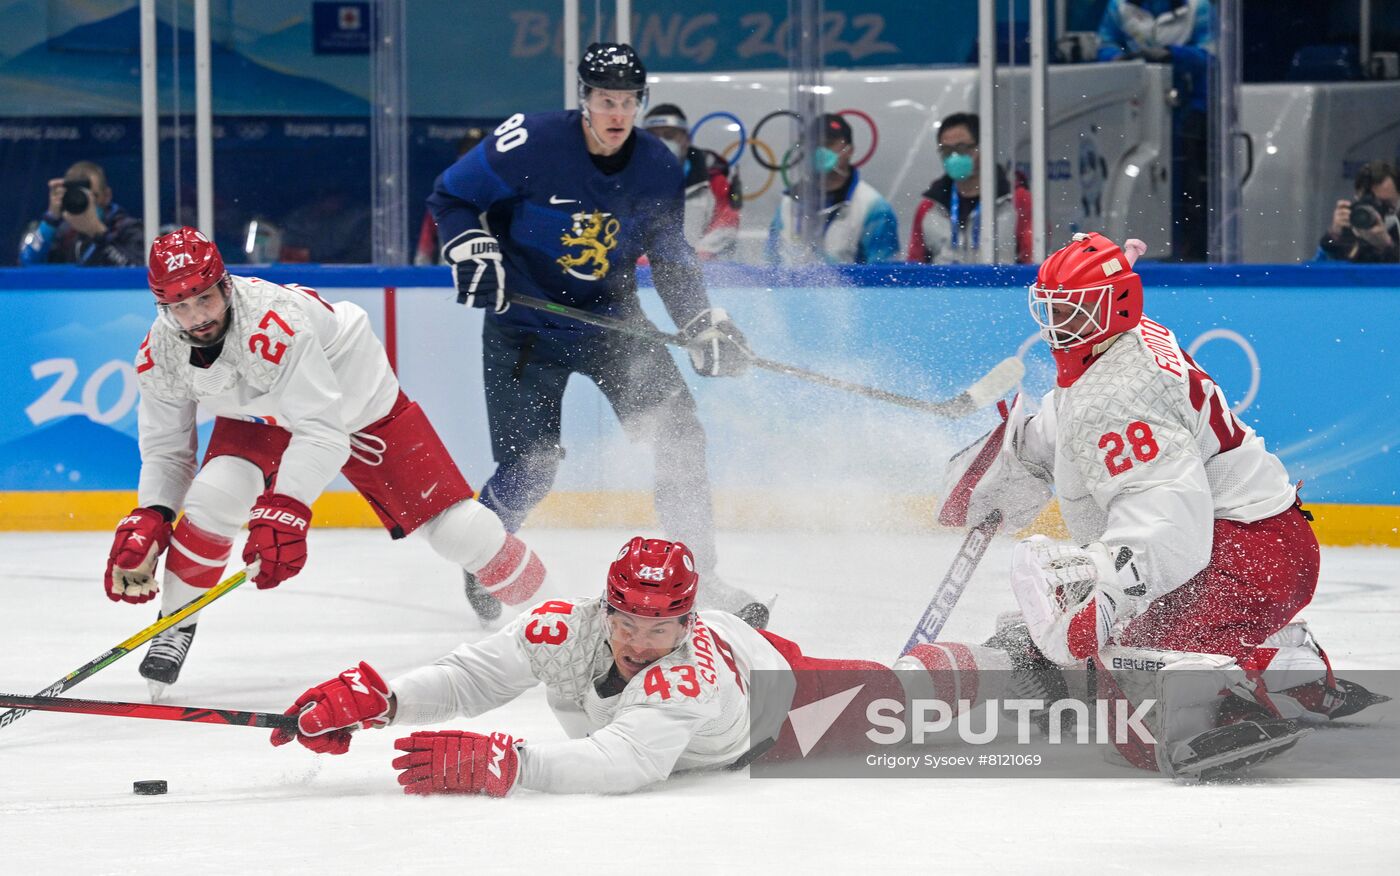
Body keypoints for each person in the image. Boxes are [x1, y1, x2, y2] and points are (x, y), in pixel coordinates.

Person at [934, 232, 1385, 777]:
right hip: (1254, 544)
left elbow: (1166, 524)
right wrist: (1020, 456)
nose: (1056, 325)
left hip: (1249, 557)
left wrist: (1095, 607)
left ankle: (1249, 683)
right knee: (1107, 645)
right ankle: (1271, 652)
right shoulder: (1121, 342)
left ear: (1114, 307)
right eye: (1051, 309)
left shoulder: (1123, 394)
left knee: (1139, 704)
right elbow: (1078, 416)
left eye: (1071, 312)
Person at [105, 227, 548, 695]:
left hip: (357, 401)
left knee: (459, 530)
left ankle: (556, 611)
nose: (196, 318)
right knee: (214, 495)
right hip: (262, 413)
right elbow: (167, 450)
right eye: (180, 305)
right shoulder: (160, 353)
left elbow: (323, 431)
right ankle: (175, 622)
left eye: (204, 299)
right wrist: (153, 513)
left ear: (226, 285)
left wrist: (288, 508)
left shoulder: (275, 325)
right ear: (163, 306)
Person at [425, 42, 767, 628]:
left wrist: (699, 319)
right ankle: (486, 550)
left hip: (612, 323)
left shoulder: (658, 164)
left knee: (679, 434)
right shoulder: (529, 142)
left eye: (628, 102)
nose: (616, 114)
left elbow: (669, 254)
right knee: (530, 469)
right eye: (606, 100)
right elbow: (451, 195)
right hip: (523, 329)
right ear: (583, 99)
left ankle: (701, 574)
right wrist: (472, 244)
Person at [268, 535, 1010, 795]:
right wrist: (383, 702)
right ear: (605, 604)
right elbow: (472, 678)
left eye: (659, 628)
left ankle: (1009, 654)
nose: (637, 641)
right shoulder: (565, 624)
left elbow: (622, 763)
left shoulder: (683, 675)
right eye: (625, 620)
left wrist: (510, 766)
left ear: (686, 622)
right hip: (733, 662)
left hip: (774, 708)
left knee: (900, 697)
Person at [1097, 1, 1213, 261]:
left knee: (1188, 191)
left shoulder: (1198, 8)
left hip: (1188, 111)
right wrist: (1121, 60)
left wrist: (1174, 55)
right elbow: (1104, 46)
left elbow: (1212, 55)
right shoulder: (1120, 7)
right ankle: (1141, 250)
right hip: (1136, 109)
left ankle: (1190, 253)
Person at [765, 113, 900, 265]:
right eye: (814, 145)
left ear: (849, 150)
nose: (820, 151)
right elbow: (772, 264)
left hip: (849, 289)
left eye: (829, 144)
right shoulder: (789, 203)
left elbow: (885, 276)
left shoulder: (873, 207)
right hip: (792, 288)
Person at [906, 112, 1033, 265]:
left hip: (1002, 288)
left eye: (962, 148)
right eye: (946, 151)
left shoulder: (1017, 200)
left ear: (983, 148)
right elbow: (914, 269)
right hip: (944, 288)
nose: (954, 157)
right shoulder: (929, 208)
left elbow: (1034, 261)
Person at [641, 104, 741, 259]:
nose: (661, 143)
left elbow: (726, 225)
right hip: (638, 275)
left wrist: (693, 255)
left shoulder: (714, 181)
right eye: (654, 137)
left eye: (669, 136)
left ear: (686, 139)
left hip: (701, 273)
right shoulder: (628, 179)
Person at [18, 160, 144, 267]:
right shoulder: (62, 232)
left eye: (92, 197)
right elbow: (26, 264)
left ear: (107, 196)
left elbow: (135, 270)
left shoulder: (127, 229)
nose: (86, 203)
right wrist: (51, 219)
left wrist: (98, 233)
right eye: (79, 196)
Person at [414, 127, 488, 265]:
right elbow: (425, 247)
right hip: (450, 276)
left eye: (476, 154)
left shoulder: (503, 196)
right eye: (466, 153)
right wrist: (422, 274)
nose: (471, 160)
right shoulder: (445, 194)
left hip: (495, 275)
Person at [1317, 160, 1399, 263]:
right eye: (1370, 202)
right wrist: (1333, 236)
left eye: (1385, 203)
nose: (1376, 211)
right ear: (1356, 198)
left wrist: (1387, 245)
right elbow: (1317, 270)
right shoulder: (1347, 229)